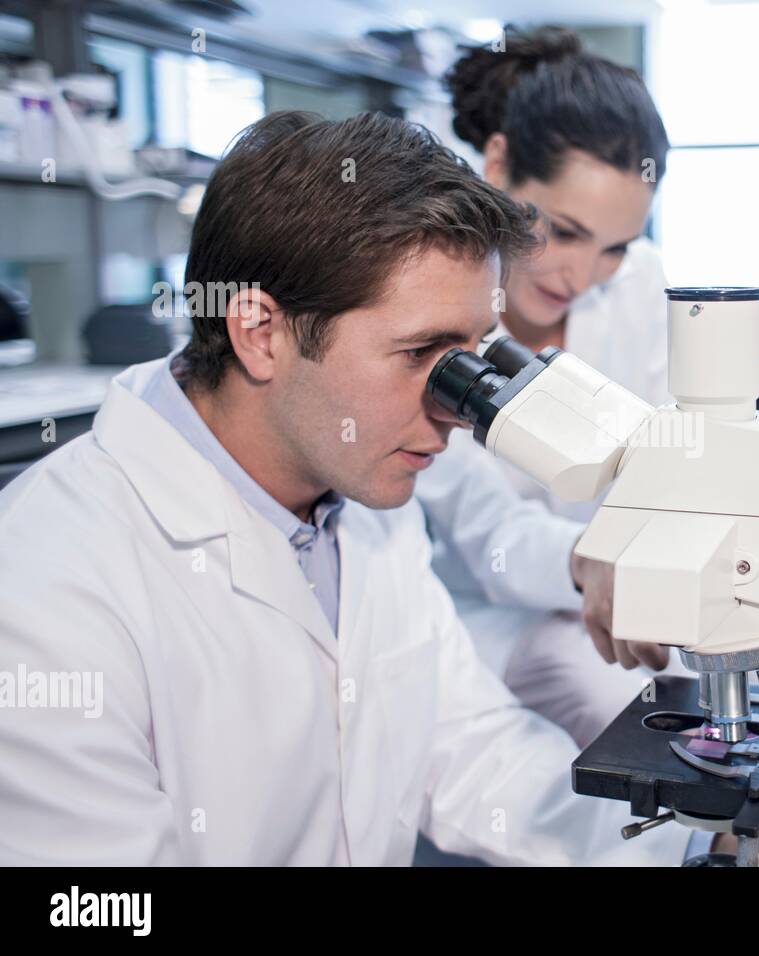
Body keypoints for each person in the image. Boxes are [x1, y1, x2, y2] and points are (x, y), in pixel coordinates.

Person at [0, 110, 688, 866]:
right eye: (423, 352)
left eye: (472, 355)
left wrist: (691, 842)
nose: (460, 412)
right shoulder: (42, 588)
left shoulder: (366, 506)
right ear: (260, 332)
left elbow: (464, 747)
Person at [417, 26, 681, 748]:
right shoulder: (430, 307)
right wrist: (587, 560)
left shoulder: (637, 286)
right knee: (620, 714)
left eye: (613, 248)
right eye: (563, 232)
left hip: (612, 590)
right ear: (498, 165)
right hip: (486, 609)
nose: (582, 275)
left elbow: (657, 456)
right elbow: (488, 532)